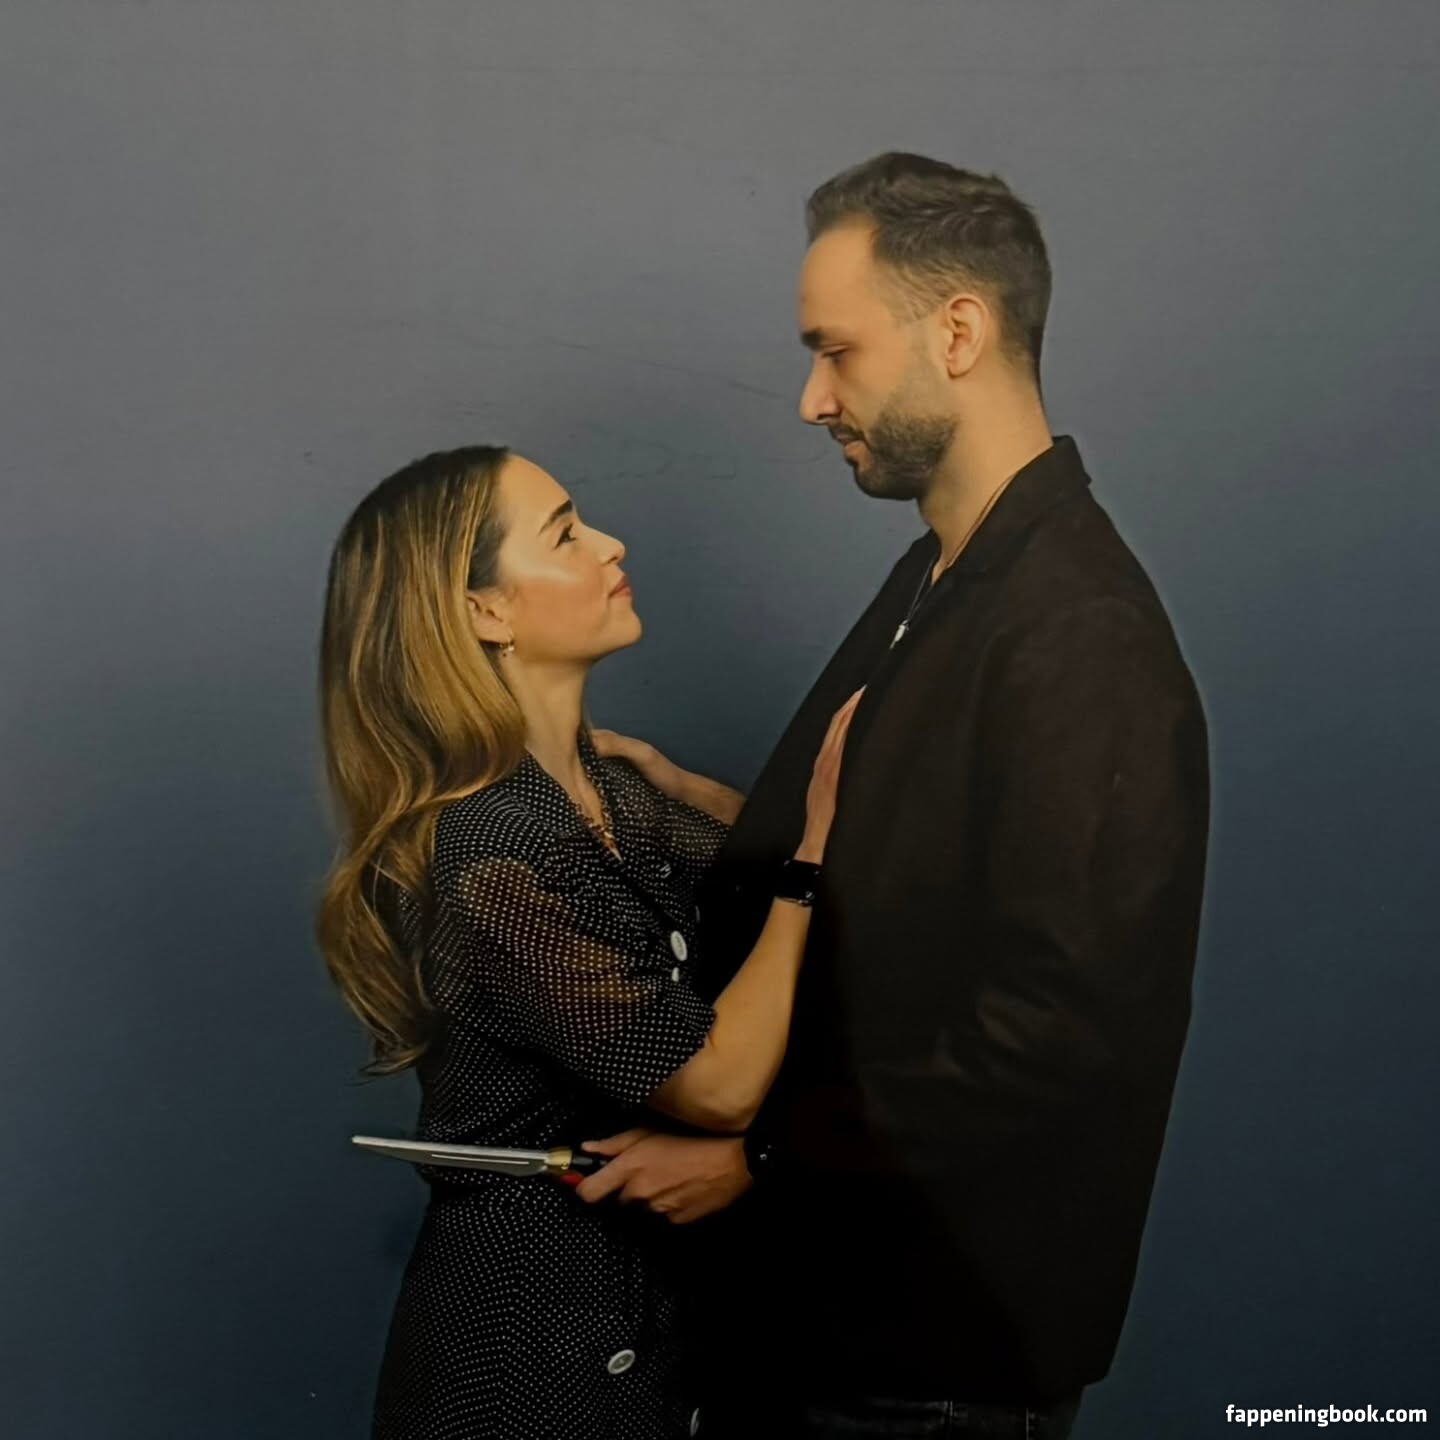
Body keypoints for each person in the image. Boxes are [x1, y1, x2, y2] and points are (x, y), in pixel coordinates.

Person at [585, 153, 1211, 1438]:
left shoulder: (1076, 632)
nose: (812, 399)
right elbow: (922, 861)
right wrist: (713, 810)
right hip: (837, 1323)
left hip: (930, 1362)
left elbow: (1058, 1031)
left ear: (959, 333)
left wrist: (760, 1159)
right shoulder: (948, 573)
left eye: (838, 351)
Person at [314, 444, 858, 1440]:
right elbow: (717, 1083)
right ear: (486, 611)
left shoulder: (611, 792)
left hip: (642, 1333)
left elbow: (756, 881)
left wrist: (698, 796)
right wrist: (811, 856)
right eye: (565, 534)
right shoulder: (493, 846)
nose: (612, 545)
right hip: (526, 1361)